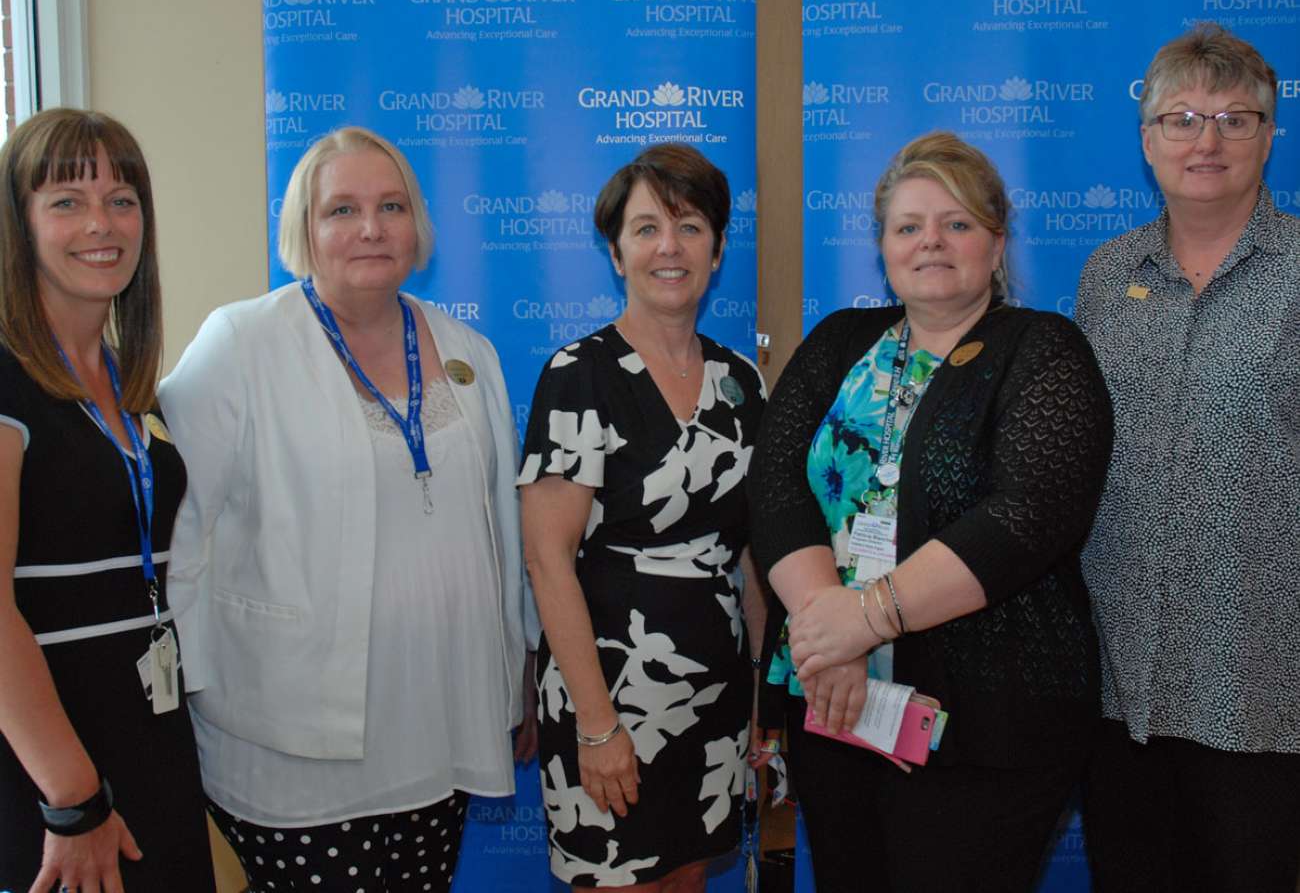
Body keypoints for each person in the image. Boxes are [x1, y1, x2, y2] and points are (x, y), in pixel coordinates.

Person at [158, 126, 537, 892]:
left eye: (391, 205)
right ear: (304, 229)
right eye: (342, 209)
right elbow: (175, 532)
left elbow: (503, 524)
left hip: (441, 722)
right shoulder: (240, 344)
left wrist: (518, 664)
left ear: (418, 225)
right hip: (293, 741)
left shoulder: (469, 348)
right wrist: (184, 687)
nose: (371, 227)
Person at [748, 132, 1114, 893]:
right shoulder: (839, 341)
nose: (931, 243)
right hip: (834, 699)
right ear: (881, 244)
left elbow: (1026, 516)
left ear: (997, 240)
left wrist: (868, 617)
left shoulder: (1042, 350)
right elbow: (776, 485)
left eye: (957, 223)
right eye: (908, 225)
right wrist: (833, 632)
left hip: (990, 719)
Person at [1074, 23, 1300, 892]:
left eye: (1235, 118)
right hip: (1119, 686)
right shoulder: (1107, 273)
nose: (1206, 140)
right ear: (1146, 138)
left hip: (1264, 686)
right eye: (1181, 118)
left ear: (1270, 134)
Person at [517, 143, 770, 891]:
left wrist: (757, 700)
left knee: (688, 877)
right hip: (609, 700)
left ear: (718, 250)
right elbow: (546, 559)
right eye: (647, 227)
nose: (669, 246)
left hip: (716, 699)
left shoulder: (741, 382)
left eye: (691, 227)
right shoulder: (577, 377)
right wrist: (597, 726)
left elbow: (754, 557)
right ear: (616, 251)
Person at [0, 108, 216, 891]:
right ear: (18, 225)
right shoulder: (7, 375)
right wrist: (71, 798)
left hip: (150, 740)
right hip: (55, 765)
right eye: (66, 201)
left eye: (122, 199)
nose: (102, 223)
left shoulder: (129, 386)